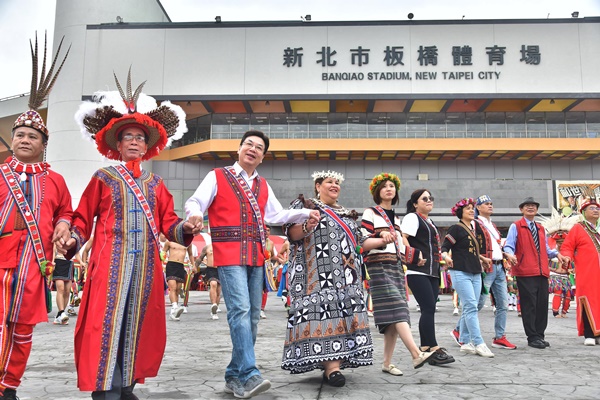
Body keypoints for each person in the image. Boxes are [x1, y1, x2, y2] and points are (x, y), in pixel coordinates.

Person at [62, 70, 197, 399]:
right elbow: (82, 218)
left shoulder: (156, 184)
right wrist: (72, 239)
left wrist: (186, 228)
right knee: (106, 325)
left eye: (140, 137)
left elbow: (169, 223)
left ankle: (126, 384)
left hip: (147, 269)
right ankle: (105, 386)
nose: (135, 142)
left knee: (137, 326)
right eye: (128, 137)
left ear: (147, 145)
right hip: (109, 265)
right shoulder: (103, 177)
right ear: (117, 144)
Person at [185, 130, 320, 399]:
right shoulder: (217, 175)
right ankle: (248, 373)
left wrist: (306, 211)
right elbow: (195, 200)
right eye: (249, 144)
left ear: (262, 157)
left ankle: (233, 376)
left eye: (259, 147)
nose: (253, 149)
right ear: (239, 149)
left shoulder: (263, 184)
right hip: (228, 252)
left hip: (256, 255)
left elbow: (276, 215)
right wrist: (196, 214)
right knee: (240, 310)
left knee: (254, 316)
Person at [0, 33, 72, 400]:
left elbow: (67, 212)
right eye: (20, 134)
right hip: (0, 261)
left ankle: (9, 385)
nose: (24, 139)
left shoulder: (56, 180)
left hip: (33, 264)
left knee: (23, 328)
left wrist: (63, 224)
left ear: (43, 144)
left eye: (32, 136)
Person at [281, 170, 373, 387]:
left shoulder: (347, 214)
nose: (335, 185)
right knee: (326, 315)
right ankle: (332, 369)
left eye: (337, 183)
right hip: (315, 277)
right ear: (318, 186)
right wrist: (306, 226)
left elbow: (360, 243)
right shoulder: (305, 206)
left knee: (342, 317)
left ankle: (333, 366)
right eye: (329, 182)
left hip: (347, 279)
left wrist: (381, 240)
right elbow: (291, 233)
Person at [360, 173, 437, 376]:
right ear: (377, 191)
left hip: (395, 267)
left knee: (391, 318)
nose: (389, 189)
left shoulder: (396, 217)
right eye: (384, 186)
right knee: (398, 309)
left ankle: (386, 363)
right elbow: (363, 239)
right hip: (378, 266)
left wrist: (415, 257)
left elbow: (400, 245)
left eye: (392, 186)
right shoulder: (371, 213)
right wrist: (380, 235)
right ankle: (415, 353)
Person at [452, 195, 517, 350]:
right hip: (485, 267)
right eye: (486, 204)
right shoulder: (474, 224)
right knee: (477, 303)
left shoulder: (492, 225)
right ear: (478, 208)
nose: (490, 206)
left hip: (499, 265)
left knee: (502, 303)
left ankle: (499, 336)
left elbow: (496, 245)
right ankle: (459, 330)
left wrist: (505, 254)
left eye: (491, 204)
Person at [504, 197, 568, 349]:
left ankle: (540, 335)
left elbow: (545, 248)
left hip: (541, 271)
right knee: (529, 305)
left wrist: (557, 254)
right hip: (525, 271)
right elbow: (509, 245)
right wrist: (509, 254)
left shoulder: (540, 228)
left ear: (537, 210)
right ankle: (532, 337)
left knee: (541, 304)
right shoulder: (516, 226)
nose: (531, 208)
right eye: (527, 206)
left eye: (533, 206)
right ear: (522, 209)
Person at [400, 189, 455, 365]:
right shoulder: (412, 218)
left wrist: (443, 259)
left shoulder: (428, 221)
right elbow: (403, 238)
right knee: (428, 307)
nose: (429, 200)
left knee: (429, 308)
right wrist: (414, 256)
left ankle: (427, 347)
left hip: (432, 271)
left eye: (431, 198)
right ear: (415, 203)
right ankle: (431, 347)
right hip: (417, 271)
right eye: (424, 198)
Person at [441, 198, 494, 358]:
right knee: (471, 306)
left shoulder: (474, 229)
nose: (471, 211)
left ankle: (464, 341)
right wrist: (446, 257)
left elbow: (471, 251)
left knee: (473, 305)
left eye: (472, 208)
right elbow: (444, 247)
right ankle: (478, 342)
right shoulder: (456, 229)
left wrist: (483, 259)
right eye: (468, 209)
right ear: (460, 212)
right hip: (460, 271)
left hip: (475, 271)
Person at [560, 197, 600, 346]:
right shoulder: (579, 228)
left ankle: (598, 333)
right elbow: (567, 247)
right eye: (592, 208)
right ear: (583, 212)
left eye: (597, 208)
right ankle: (589, 334)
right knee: (587, 300)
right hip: (587, 273)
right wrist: (566, 257)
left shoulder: (597, 230)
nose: (596, 210)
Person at [538, 208, 579, 319]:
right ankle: (556, 312)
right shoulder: (552, 253)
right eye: (559, 242)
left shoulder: (570, 254)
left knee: (568, 295)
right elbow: (546, 264)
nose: (561, 244)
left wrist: (571, 270)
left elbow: (574, 267)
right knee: (558, 292)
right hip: (556, 277)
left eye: (563, 242)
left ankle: (564, 312)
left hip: (566, 277)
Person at [162, 234, 196, 321]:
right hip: (171, 265)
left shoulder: (187, 243)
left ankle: (173, 312)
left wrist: (193, 265)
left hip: (181, 266)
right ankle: (174, 306)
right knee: (172, 288)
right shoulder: (169, 241)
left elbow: (191, 254)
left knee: (177, 289)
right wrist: (160, 263)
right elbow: (163, 252)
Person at [199, 244, 222, 320]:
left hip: (220, 269)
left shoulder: (223, 245)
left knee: (218, 291)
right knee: (213, 284)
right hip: (211, 269)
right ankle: (213, 304)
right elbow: (200, 258)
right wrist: (195, 266)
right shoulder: (207, 247)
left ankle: (214, 310)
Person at [260, 226, 278, 319]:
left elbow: (273, 256)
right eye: (265, 230)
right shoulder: (258, 241)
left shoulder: (271, 243)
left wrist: (280, 260)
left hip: (267, 268)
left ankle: (262, 309)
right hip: (258, 266)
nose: (266, 232)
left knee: (265, 288)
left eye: (268, 230)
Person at [52, 251, 74, 325]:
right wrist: (52, 261)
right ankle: (62, 312)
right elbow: (53, 249)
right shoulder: (57, 239)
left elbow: (76, 251)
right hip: (58, 261)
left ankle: (60, 315)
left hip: (69, 263)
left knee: (67, 291)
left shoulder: (73, 239)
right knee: (60, 289)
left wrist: (82, 262)